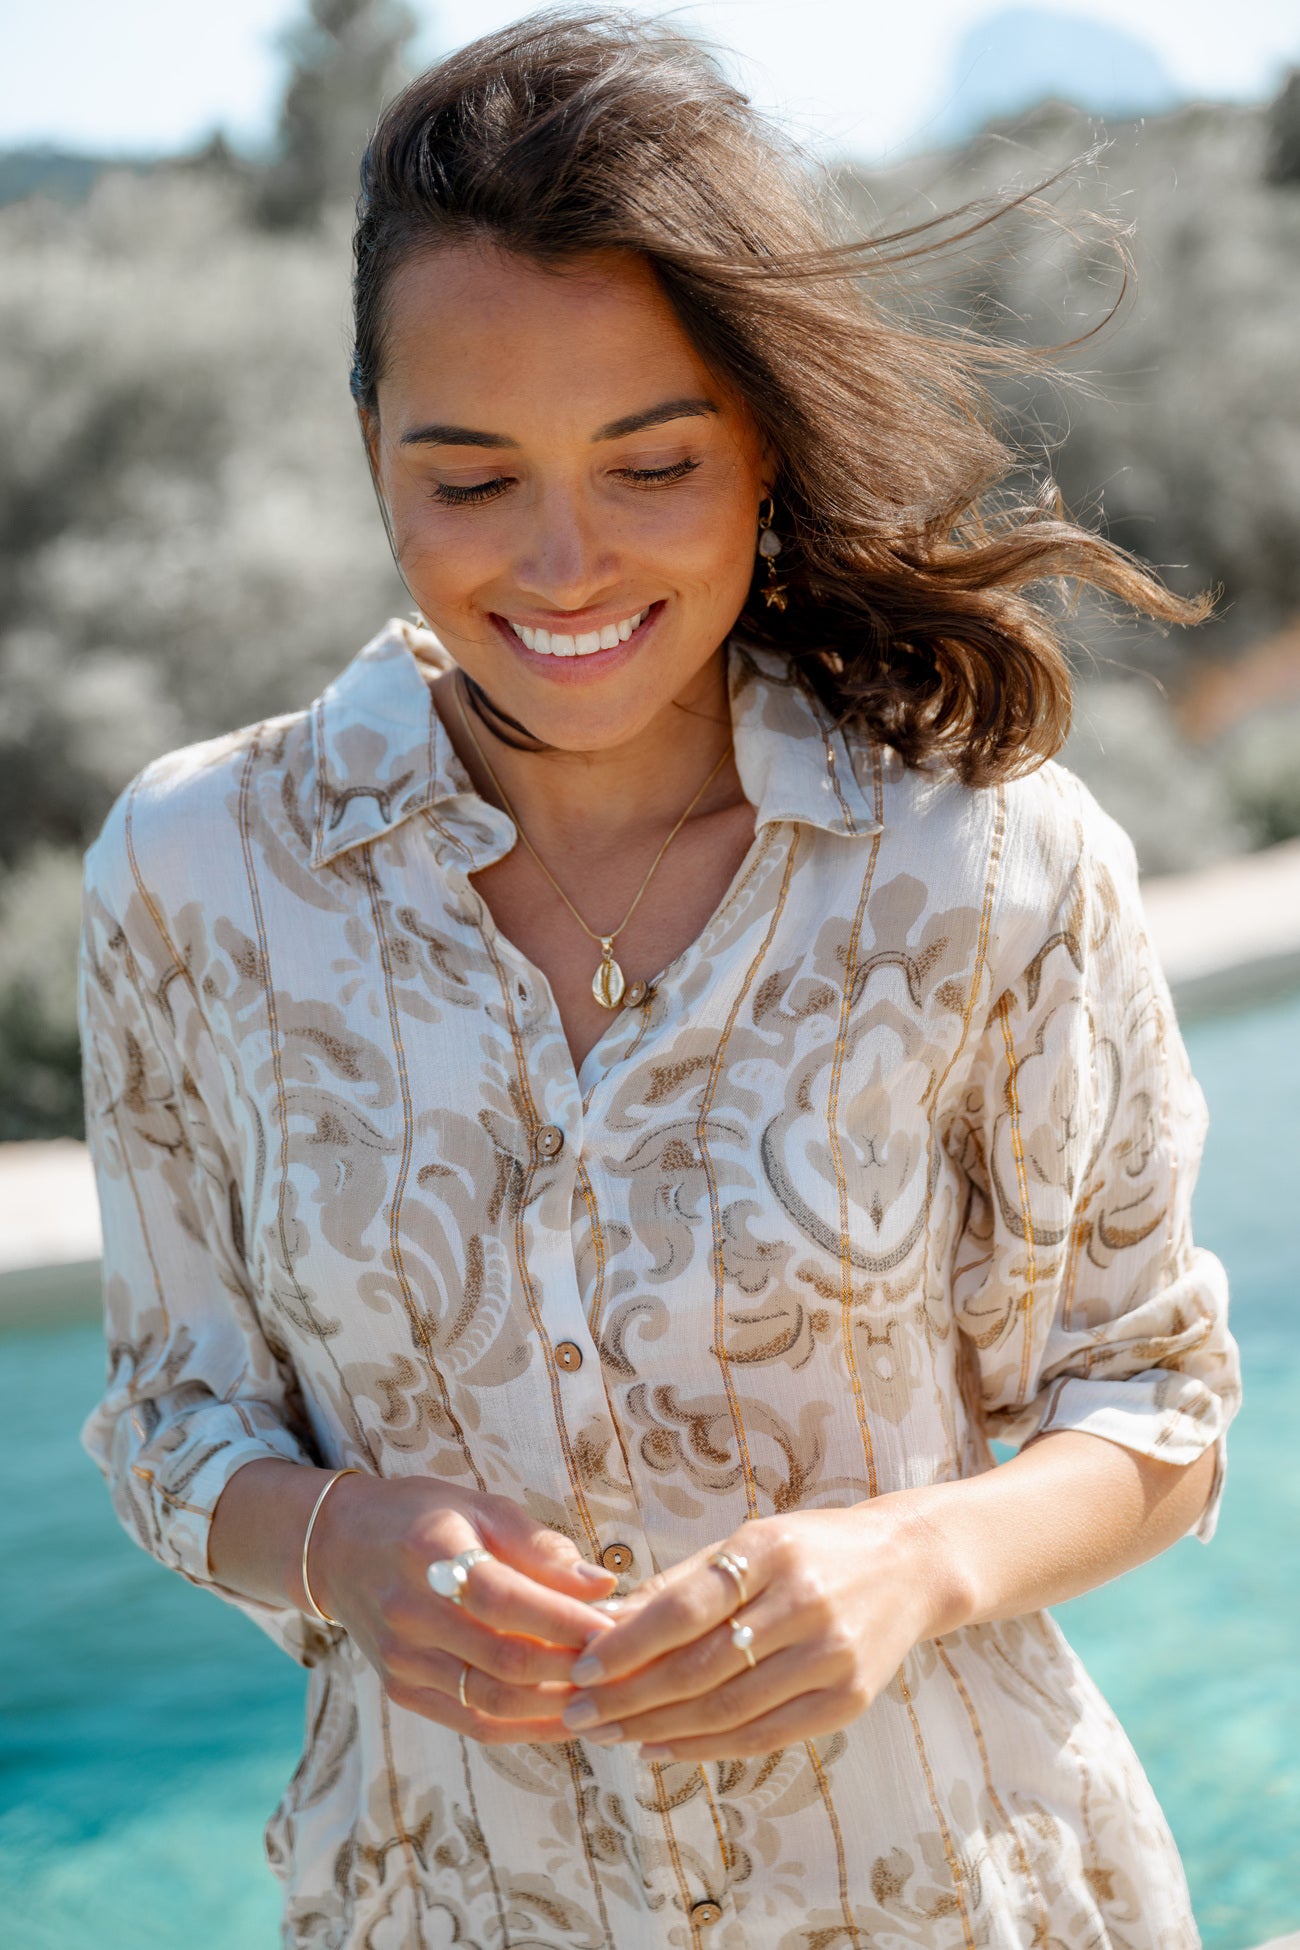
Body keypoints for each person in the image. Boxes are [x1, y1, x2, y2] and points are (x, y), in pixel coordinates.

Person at [78, 13, 1240, 1948]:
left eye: (651, 463)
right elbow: (170, 1425)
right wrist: (342, 1544)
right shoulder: (195, 879)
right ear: (372, 451)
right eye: (471, 480)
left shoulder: (987, 859)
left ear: (757, 444)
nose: (564, 561)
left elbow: (1160, 1405)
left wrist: (919, 1561)